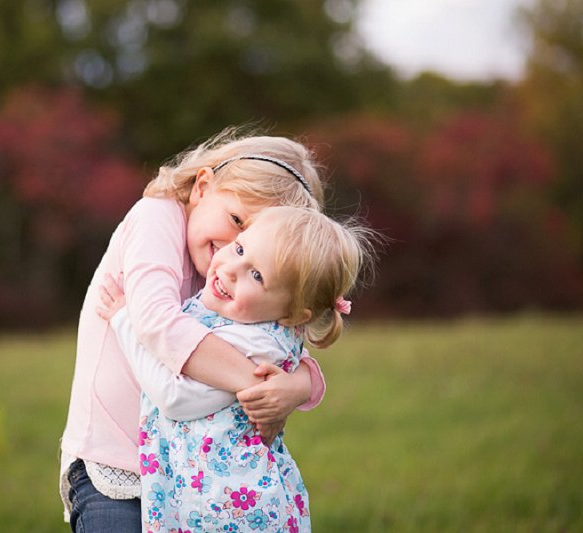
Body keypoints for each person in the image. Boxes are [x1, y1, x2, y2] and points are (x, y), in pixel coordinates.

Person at [59, 128, 331, 532]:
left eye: (252, 243)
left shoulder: (236, 277)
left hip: (187, 484)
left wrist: (295, 386)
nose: (233, 250)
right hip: (116, 463)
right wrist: (256, 383)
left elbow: (280, 347)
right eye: (236, 220)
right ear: (203, 186)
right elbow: (156, 323)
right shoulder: (158, 215)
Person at [98, 206, 376, 532]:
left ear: (293, 314)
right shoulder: (241, 316)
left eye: (257, 276)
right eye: (240, 248)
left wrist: (126, 324)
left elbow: (174, 397)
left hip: (229, 509)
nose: (231, 270)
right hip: (209, 500)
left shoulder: (255, 344)